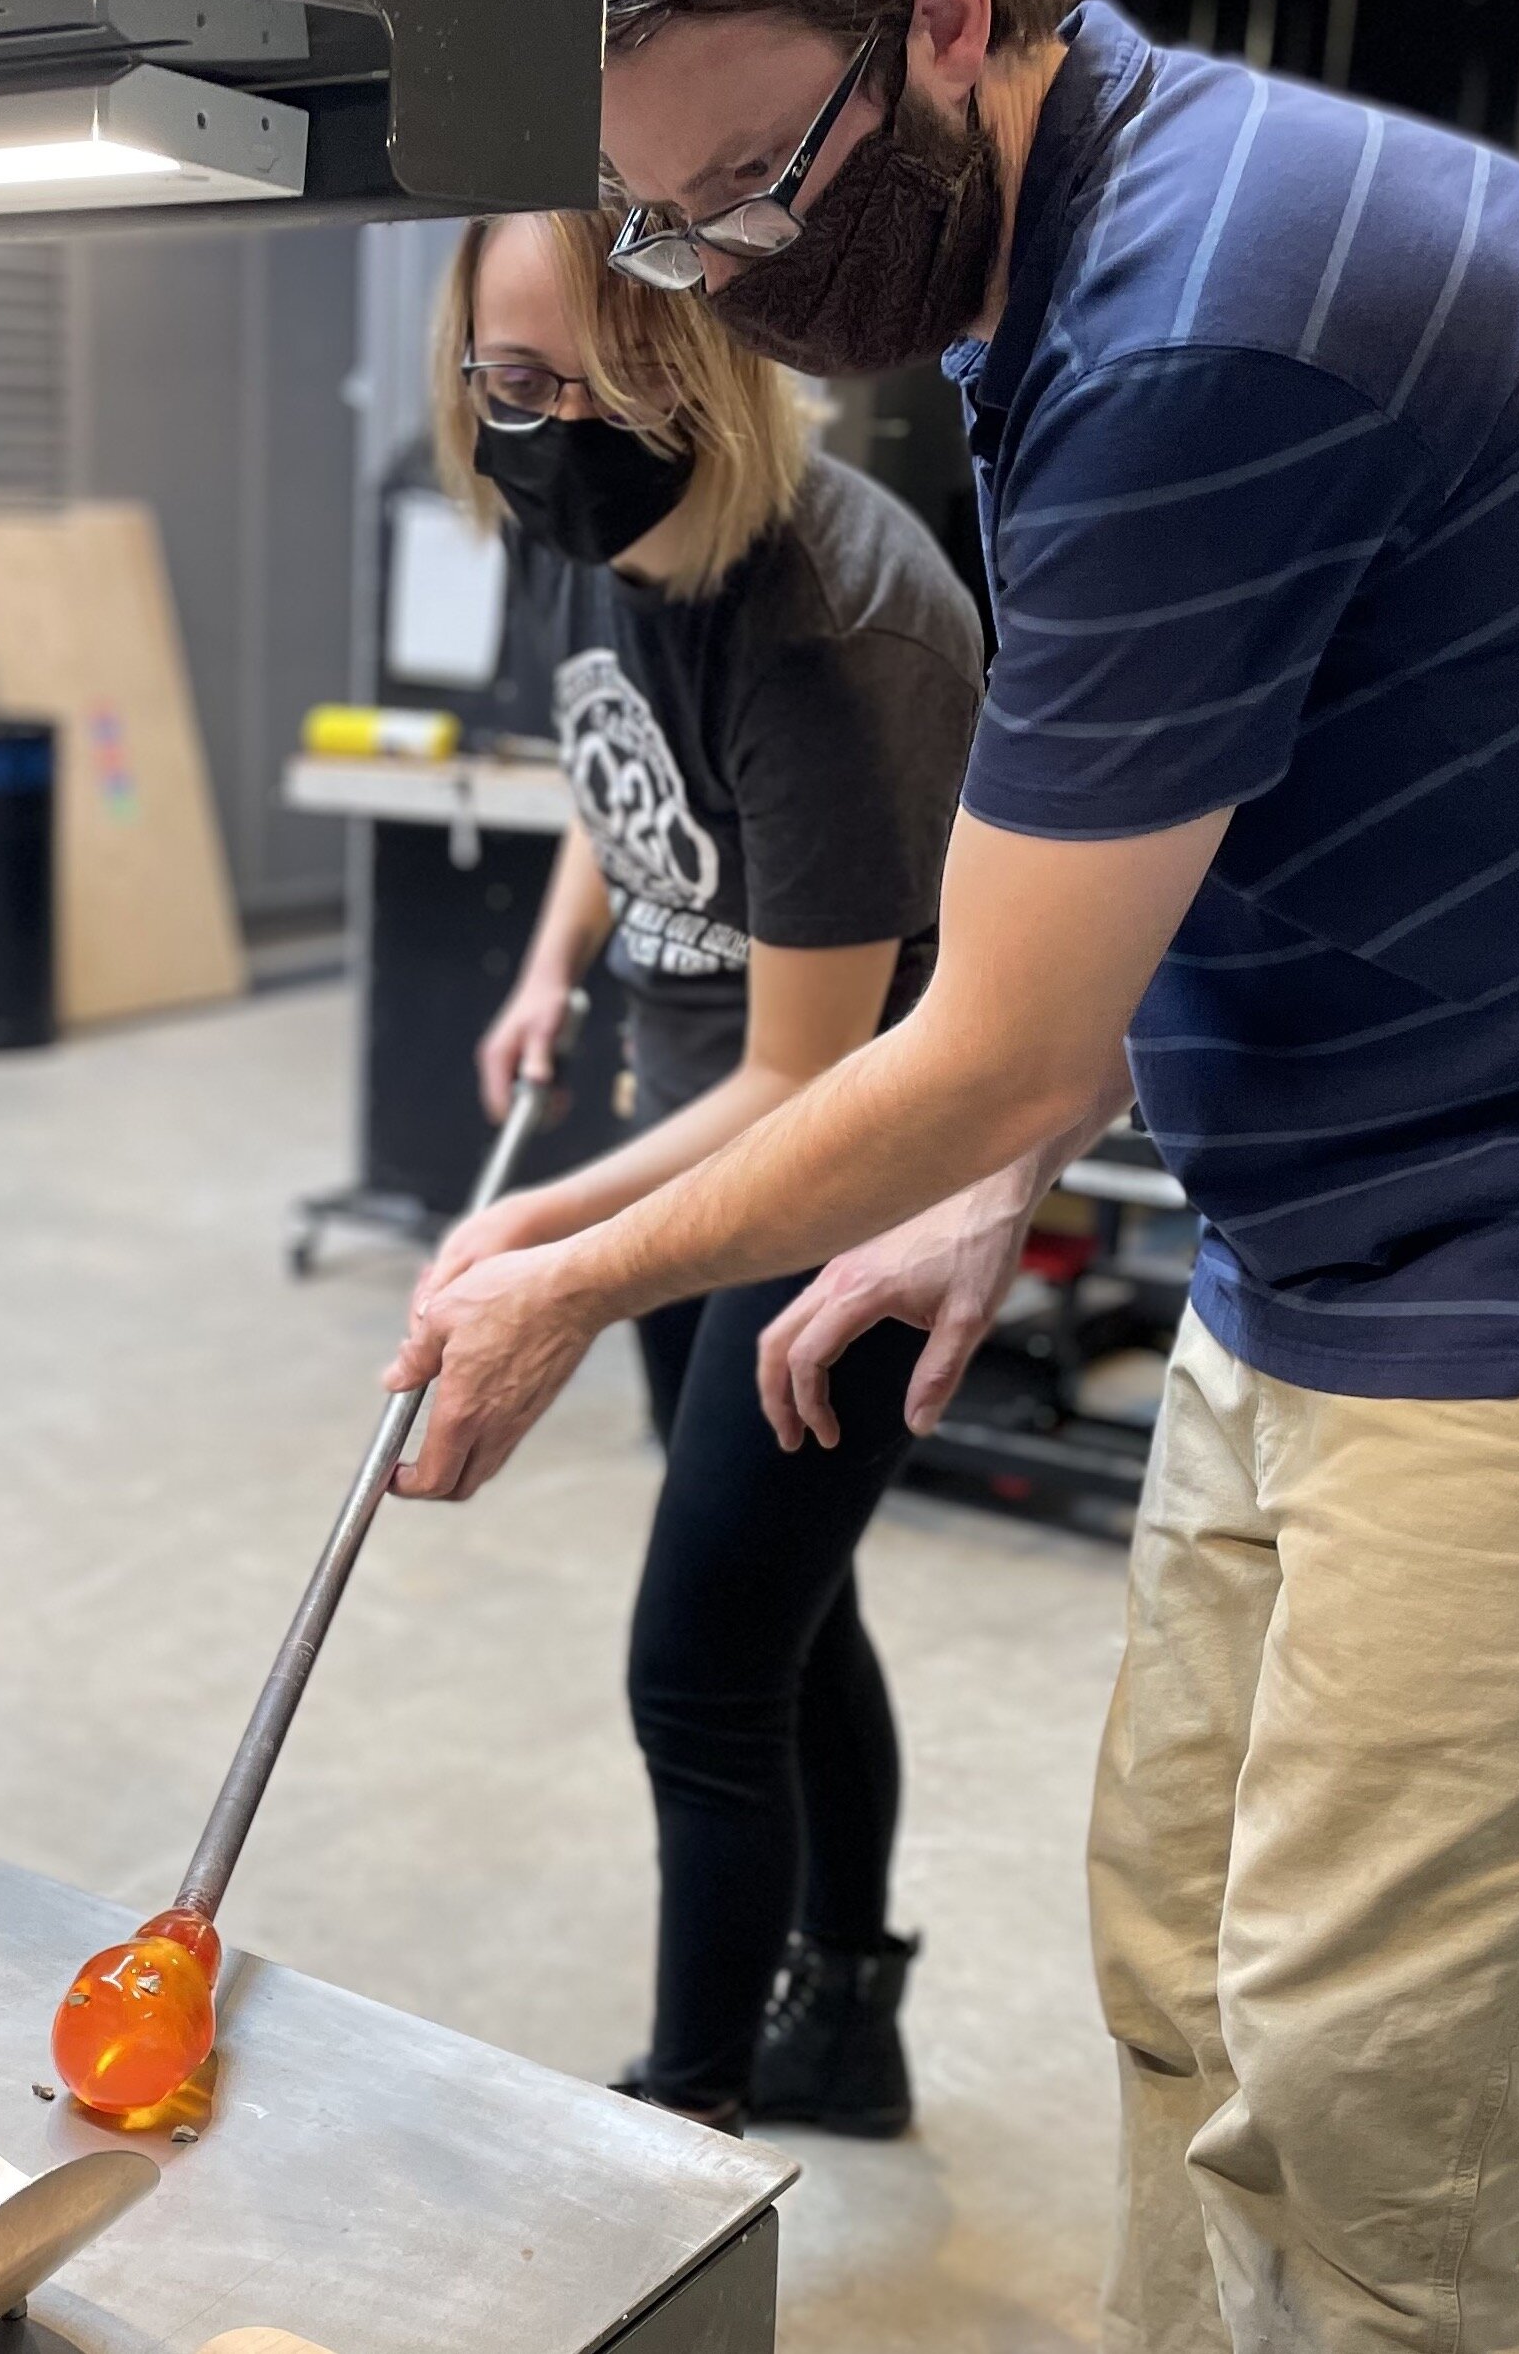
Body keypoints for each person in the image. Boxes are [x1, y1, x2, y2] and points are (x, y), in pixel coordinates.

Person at [387, 0, 1519, 2350]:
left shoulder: (1209, 319)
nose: (732, 282)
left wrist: (565, 1273)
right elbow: (1182, 831)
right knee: (1179, 1963)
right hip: (1319, 1228)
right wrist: (994, 1171)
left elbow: (981, 1032)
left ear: (943, 9)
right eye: (660, 230)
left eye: (748, 191)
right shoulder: (1056, 260)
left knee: (1352, 2135)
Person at [422, 210, 984, 2133]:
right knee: (782, 1612)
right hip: (700, 1166)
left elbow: (805, 1078)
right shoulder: (595, 538)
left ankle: (680, 2130)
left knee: (697, 1671)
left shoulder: (833, 625)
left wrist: (552, 1231)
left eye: (615, 379)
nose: (558, 425)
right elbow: (625, 768)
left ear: (719, 368)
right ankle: (843, 2017)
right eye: (518, 383)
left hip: (841, 1194)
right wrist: (546, 965)